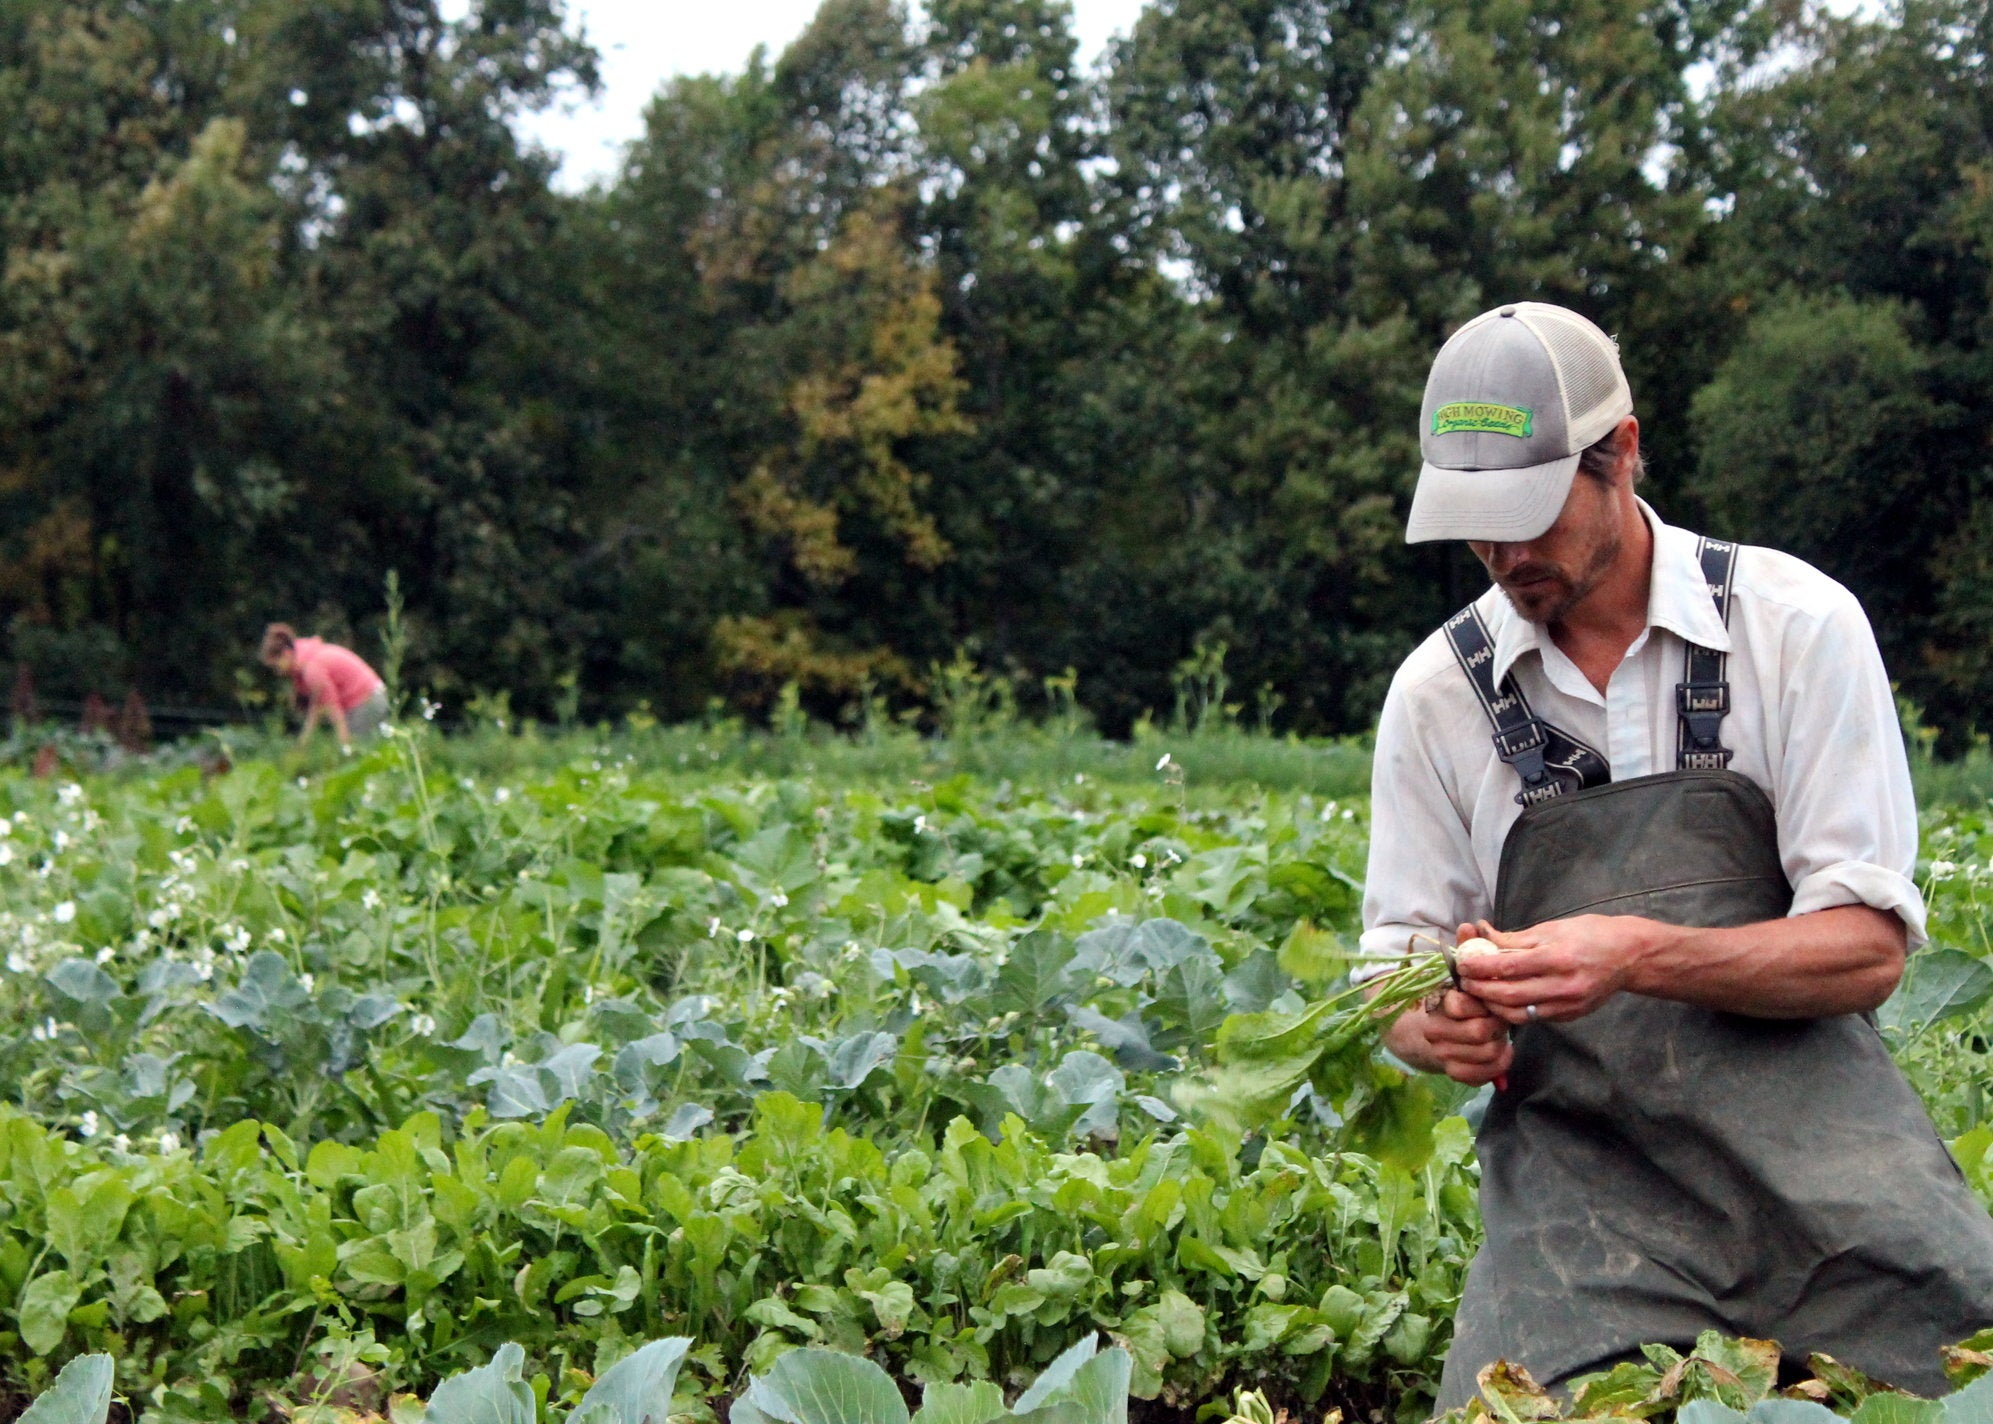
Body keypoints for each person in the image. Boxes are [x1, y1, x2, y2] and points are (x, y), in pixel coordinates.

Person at [1362, 301, 1993, 1404]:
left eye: (1529, 513)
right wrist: (1439, 1022)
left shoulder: (1797, 628)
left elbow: (1866, 953)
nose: (1507, 554)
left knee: (1966, 1368)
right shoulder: (1435, 697)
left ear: (1623, 452)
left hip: (1823, 1162)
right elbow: (1394, 974)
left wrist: (1639, 953)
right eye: (1478, 525)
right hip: (1583, 1196)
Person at [259, 623, 388, 746]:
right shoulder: (306, 659)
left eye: (276, 666)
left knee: (357, 753)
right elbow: (316, 709)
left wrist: (344, 747)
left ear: (286, 654)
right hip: (373, 697)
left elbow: (334, 711)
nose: (277, 672)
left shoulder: (312, 669)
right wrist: (303, 742)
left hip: (366, 703)